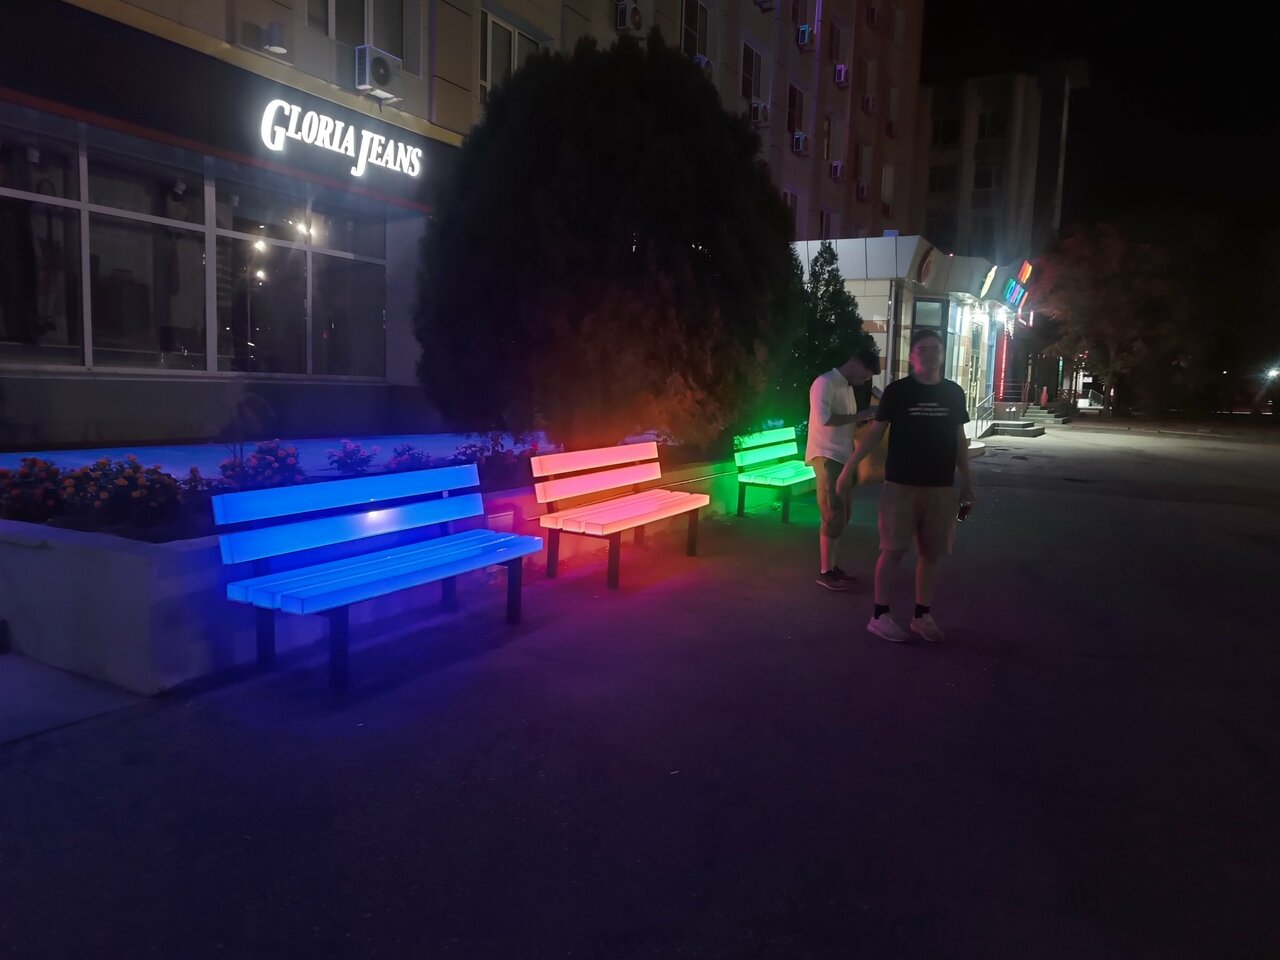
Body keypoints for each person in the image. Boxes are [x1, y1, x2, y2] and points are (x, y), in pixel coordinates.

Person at [837, 329, 976, 641]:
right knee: (893, 550)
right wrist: (850, 467)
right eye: (923, 349)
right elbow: (874, 433)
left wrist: (968, 480)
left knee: (931, 553)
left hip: (941, 486)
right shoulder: (898, 391)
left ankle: (921, 616)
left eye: (935, 348)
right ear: (912, 356)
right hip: (900, 486)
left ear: (942, 354)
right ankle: (879, 616)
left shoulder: (953, 393)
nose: (930, 354)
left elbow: (959, 439)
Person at [806, 347, 882, 591]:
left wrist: (862, 418)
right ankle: (825, 571)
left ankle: (832, 567)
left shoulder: (845, 387)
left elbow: (844, 421)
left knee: (842, 514)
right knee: (833, 512)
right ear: (856, 364)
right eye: (865, 375)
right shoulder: (825, 383)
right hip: (826, 455)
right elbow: (824, 419)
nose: (864, 381)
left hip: (842, 456)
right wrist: (859, 415)